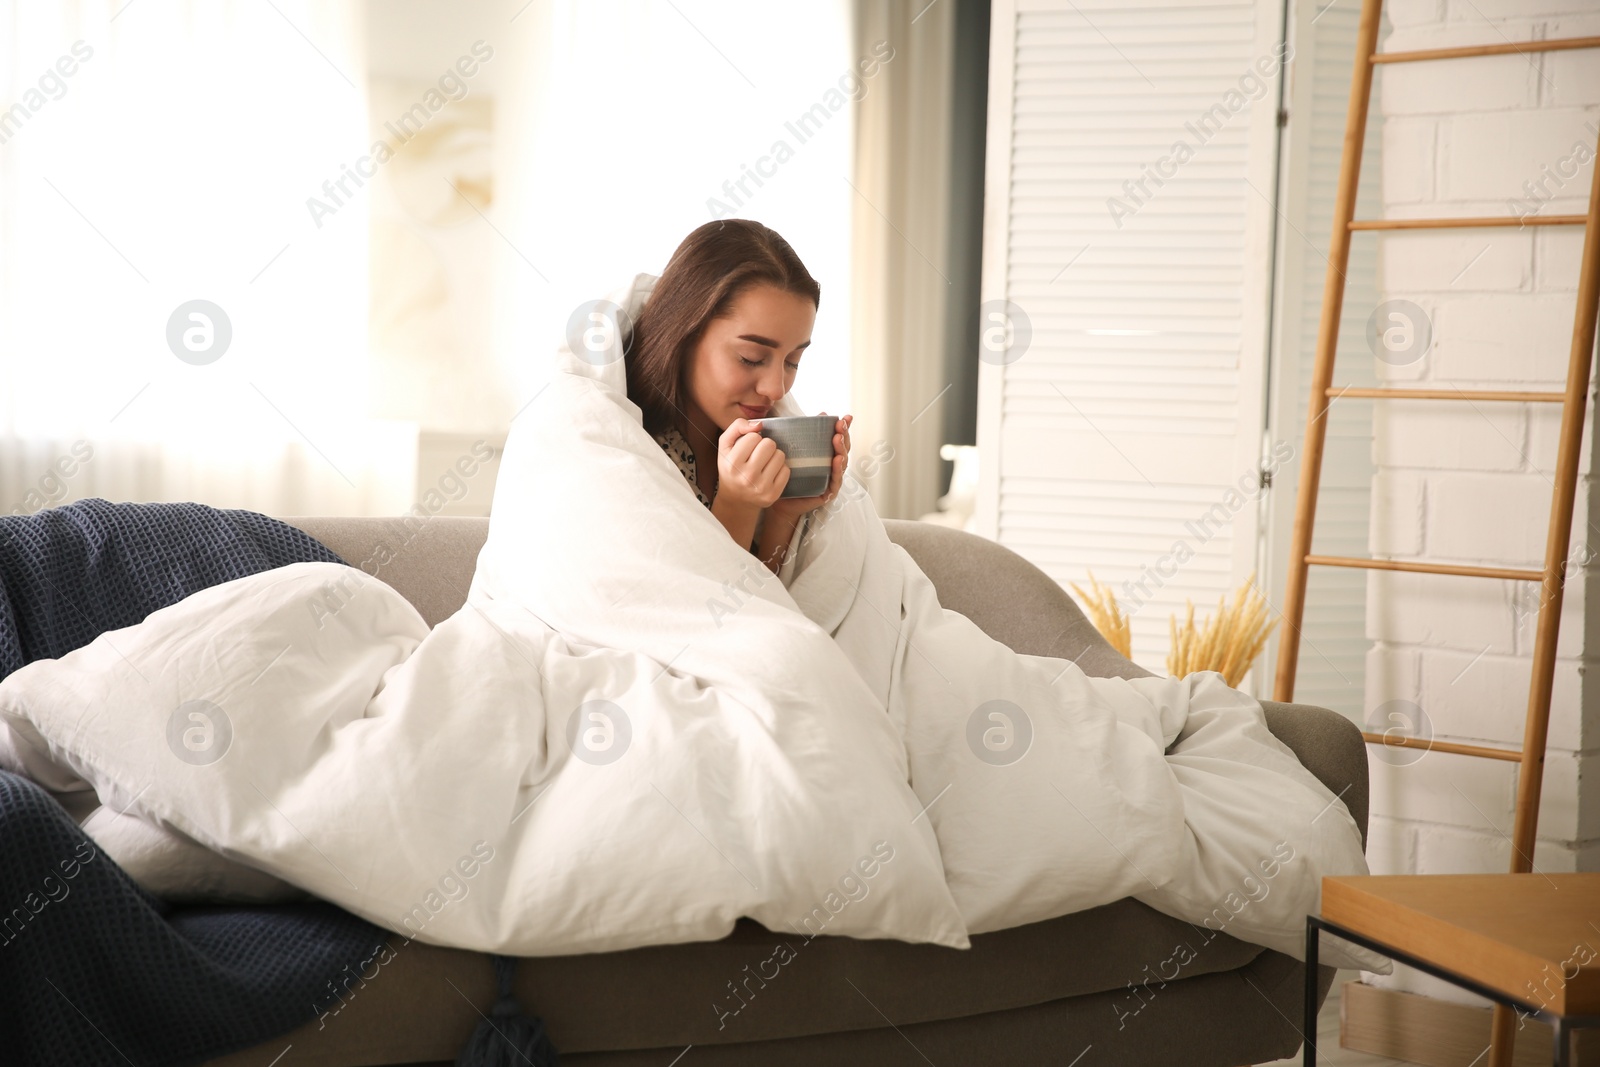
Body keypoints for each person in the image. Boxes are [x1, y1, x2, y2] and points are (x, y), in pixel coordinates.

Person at [625, 219, 853, 575]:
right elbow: (703, 615)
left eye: (793, 361)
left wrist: (784, 511)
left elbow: (765, 603)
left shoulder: (751, 441)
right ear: (683, 334)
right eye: (751, 358)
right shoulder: (632, 449)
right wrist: (736, 506)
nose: (776, 390)